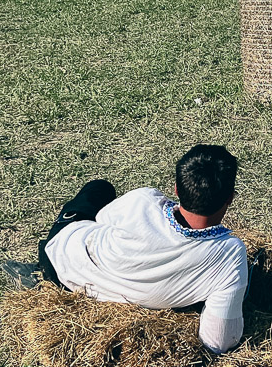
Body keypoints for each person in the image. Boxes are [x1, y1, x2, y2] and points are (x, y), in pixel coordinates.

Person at [39, 145, 249, 354]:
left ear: (176, 188)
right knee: (98, 191)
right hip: (71, 266)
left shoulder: (143, 200)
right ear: (230, 197)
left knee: (99, 189)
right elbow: (218, 341)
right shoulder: (229, 254)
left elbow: (101, 219)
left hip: (62, 258)